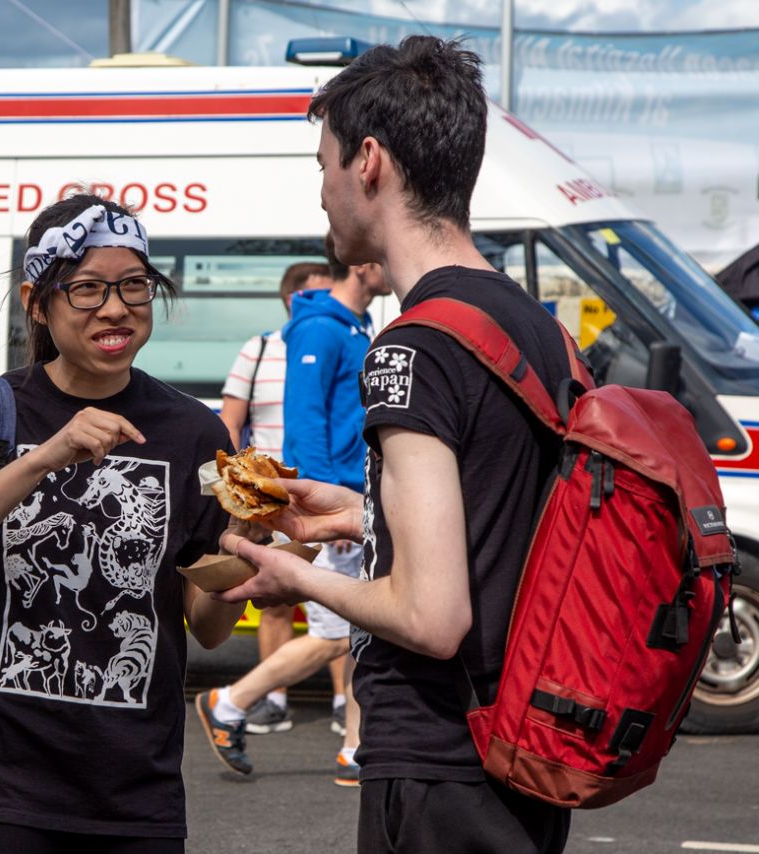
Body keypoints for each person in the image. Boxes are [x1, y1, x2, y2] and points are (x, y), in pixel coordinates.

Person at [217, 36, 573, 853]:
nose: (322, 193)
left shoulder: (413, 346)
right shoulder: (530, 327)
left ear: (369, 161)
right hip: (520, 744)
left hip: (438, 764)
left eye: (323, 164)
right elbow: (496, 512)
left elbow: (432, 613)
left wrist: (295, 575)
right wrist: (351, 515)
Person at [0, 193, 243, 852]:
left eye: (134, 285)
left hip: (137, 790)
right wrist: (45, 457)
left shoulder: (196, 431)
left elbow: (211, 627)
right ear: (39, 302)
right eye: (87, 289)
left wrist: (247, 561)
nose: (115, 308)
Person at [196, 252, 388, 785]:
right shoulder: (324, 331)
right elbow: (307, 423)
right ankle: (230, 704)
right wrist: (335, 506)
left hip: (354, 496)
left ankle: (355, 749)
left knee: (359, 630)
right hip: (336, 502)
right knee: (339, 634)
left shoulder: (353, 326)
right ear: (360, 266)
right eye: (380, 257)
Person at [218, 261, 333, 735]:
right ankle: (273, 700)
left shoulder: (336, 344)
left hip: (323, 493)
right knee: (276, 599)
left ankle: (347, 702)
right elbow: (229, 422)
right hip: (267, 499)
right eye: (318, 296)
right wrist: (235, 488)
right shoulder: (260, 348)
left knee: (338, 600)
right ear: (293, 300)